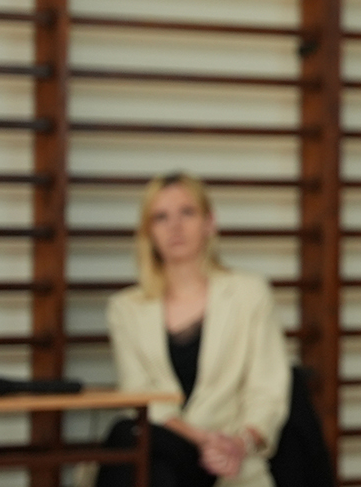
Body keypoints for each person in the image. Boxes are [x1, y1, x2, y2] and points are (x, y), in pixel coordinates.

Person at [97, 171, 290, 487]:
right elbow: (139, 394)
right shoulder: (125, 308)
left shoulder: (250, 294)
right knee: (135, 438)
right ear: (149, 232)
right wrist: (202, 440)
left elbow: (267, 391)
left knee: (131, 443)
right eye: (161, 217)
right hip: (169, 447)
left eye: (187, 212)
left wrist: (237, 444)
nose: (175, 226)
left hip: (228, 461)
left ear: (209, 223)